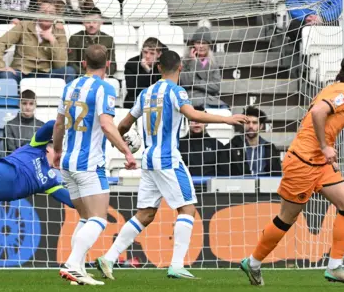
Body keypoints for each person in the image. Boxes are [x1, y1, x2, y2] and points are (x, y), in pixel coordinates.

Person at [95, 49, 247, 280]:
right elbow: (192, 114)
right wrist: (227, 119)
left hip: (148, 159)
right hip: (168, 159)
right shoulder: (177, 91)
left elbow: (124, 124)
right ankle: (176, 265)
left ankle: (108, 258)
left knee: (145, 214)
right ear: (181, 69)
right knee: (187, 209)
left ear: (158, 68)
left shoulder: (145, 94)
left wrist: (122, 147)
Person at [240, 55, 344, 286]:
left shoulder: (334, 88)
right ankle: (253, 262)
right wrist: (325, 147)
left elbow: (325, 124)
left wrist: (328, 152)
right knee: (287, 218)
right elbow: (318, 113)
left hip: (319, 162)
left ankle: (335, 266)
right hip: (303, 163)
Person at [54, 44, 137, 286]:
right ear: (108, 65)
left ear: (83, 63)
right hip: (89, 163)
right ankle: (71, 264)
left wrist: (57, 151)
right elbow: (106, 125)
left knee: (84, 217)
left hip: (68, 162)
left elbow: (59, 124)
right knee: (99, 218)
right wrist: (126, 152)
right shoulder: (105, 88)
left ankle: (77, 270)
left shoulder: (69, 87)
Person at [0, 2, 76, 83]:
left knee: (69, 71)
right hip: (21, 71)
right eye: (43, 12)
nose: (47, 16)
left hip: (46, 73)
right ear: (37, 14)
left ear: (55, 16)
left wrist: (52, 40)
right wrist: (1, 65)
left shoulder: (59, 31)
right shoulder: (24, 26)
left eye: (51, 13)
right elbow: (0, 43)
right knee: (6, 75)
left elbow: (60, 64)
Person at [179, 25, 227, 108]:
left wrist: (195, 83)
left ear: (209, 45)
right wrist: (193, 62)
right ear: (193, 45)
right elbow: (185, 82)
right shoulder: (184, 61)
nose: (201, 46)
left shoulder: (213, 63)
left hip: (209, 99)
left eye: (204, 43)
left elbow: (216, 87)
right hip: (190, 99)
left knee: (225, 109)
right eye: (198, 42)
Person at [227, 106, 282, 176]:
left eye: (254, 123)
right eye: (247, 122)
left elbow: (276, 175)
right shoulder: (233, 145)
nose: (250, 126)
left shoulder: (270, 148)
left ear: (261, 126)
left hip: (264, 186)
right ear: (243, 125)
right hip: (241, 185)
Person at [179, 106, 230, 177]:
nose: (197, 122)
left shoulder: (217, 145)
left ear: (206, 123)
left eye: (200, 119)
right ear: (187, 122)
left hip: (210, 186)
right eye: (193, 119)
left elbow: (224, 173)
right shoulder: (179, 145)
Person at [67, 7, 116, 76]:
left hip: (103, 76)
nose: (91, 25)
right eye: (88, 22)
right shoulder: (75, 38)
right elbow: (71, 63)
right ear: (83, 22)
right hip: (81, 75)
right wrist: (87, 75)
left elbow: (113, 64)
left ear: (101, 22)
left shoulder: (108, 39)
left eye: (95, 22)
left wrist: (104, 74)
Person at [123, 37, 165, 108]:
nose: (147, 56)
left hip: (157, 102)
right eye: (145, 52)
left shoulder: (163, 65)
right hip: (136, 101)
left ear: (159, 54)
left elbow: (161, 89)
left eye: (152, 53)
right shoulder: (132, 64)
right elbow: (132, 90)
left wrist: (148, 70)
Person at [4, 89, 45, 154]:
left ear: (35, 105)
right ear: (19, 104)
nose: (28, 107)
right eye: (24, 103)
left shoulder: (41, 126)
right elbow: (11, 152)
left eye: (31, 104)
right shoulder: (10, 126)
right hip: (16, 162)